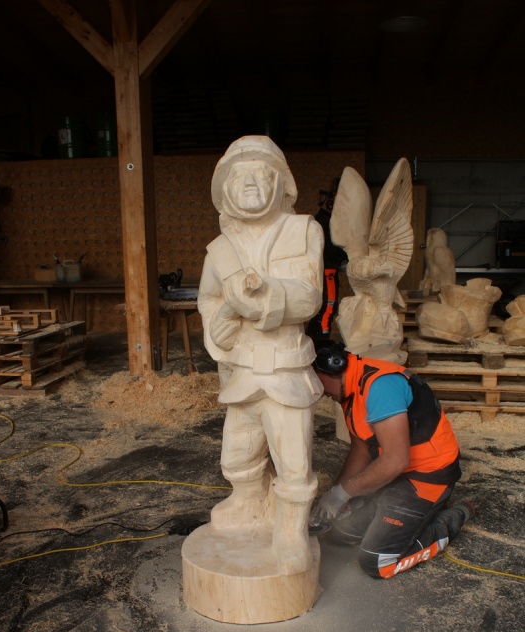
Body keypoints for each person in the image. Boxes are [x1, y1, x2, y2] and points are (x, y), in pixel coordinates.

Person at [198, 135, 324, 575]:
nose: (250, 182)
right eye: (240, 176)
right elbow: (209, 300)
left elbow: (309, 296)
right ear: (225, 190)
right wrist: (223, 319)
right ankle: (249, 501)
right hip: (242, 370)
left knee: (294, 461)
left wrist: (265, 297)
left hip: (286, 369)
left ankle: (290, 530)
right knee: (237, 454)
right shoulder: (220, 249)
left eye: (260, 173)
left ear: (281, 183)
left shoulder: (302, 230)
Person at [311, 344, 474, 579]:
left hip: (426, 477)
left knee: (377, 562)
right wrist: (336, 495)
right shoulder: (350, 391)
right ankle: (416, 515)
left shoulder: (381, 388)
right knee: (340, 533)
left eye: (317, 383)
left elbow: (395, 460)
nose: (319, 392)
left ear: (333, 367)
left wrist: (344, 492)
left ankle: (450, 517)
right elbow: (361, 449)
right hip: (395, 475)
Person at [305, 178, 346, 345]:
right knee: (328, 305)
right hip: (327, 268)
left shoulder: (325, 218)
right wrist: (342, 258)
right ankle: (320, 340)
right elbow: (330, 245)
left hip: (326, 266)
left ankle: (316, 339)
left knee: (325, 306)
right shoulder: (325, 220)